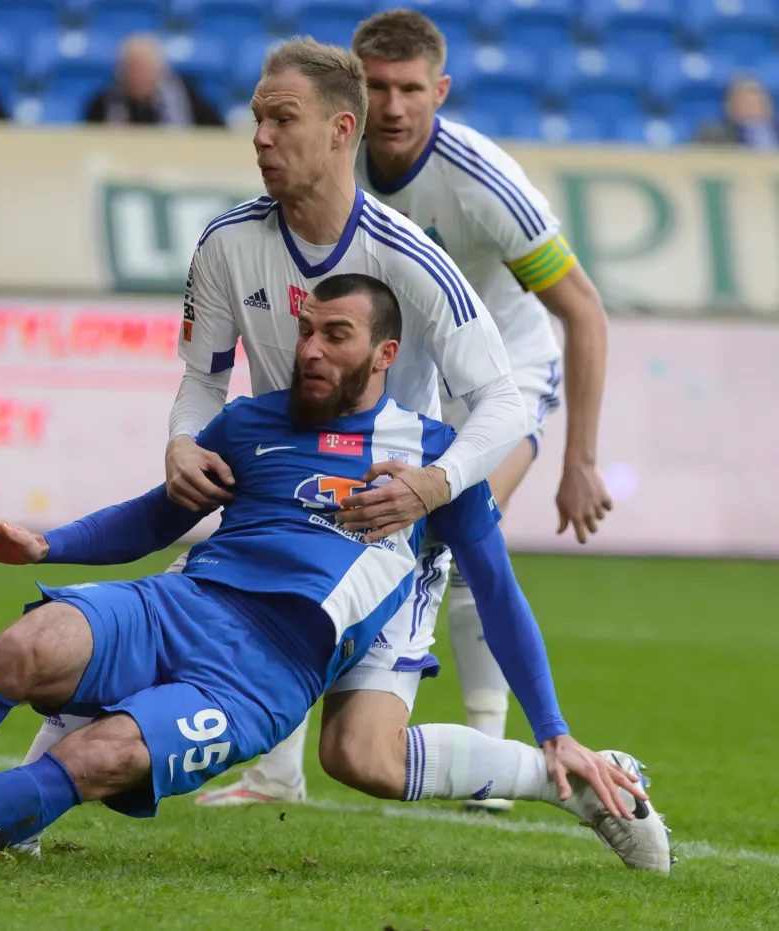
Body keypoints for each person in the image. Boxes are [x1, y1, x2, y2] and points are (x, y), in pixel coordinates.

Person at [0, 275, 671, 873]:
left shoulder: (433, 458)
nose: (312, 352)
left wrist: (553, 725)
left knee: (107, 751)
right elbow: (159, 514)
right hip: (182, 599)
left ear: (383, 354)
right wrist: (45, 545)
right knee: (26, 645)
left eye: (337, 336)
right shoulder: (251, 422)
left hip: (268, 668)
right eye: (305, 333)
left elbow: (499, 585)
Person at [16, 35, 535, 834]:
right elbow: (202, 377)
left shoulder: (412, 260)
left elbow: (502, 400)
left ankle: (562, 769)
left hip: (386, 522)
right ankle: (7, 812)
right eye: (256, 118)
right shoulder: (229, 241)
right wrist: (183, 443)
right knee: (166, 627)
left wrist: (436, 481)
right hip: (282, 487)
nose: (259, 136)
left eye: (280, 119)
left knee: (363, 756)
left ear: (340, 130)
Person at [197, 10, 616, 813]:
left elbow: (584, 310)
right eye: (378, 87)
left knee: (463, 515)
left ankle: (495, 756)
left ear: (441, 91)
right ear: (350, 98)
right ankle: (276, 769)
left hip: (506, 366)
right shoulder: (328, 175)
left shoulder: (481, 182)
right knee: (304, 522)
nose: (393, 106)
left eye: (411, 89)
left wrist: (581, 459)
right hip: (413, 367)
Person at [83, 34, 224, 128]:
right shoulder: (103, 102)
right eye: (133, 68)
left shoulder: (185, 96)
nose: (139, 76)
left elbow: (217, 133)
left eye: (145, 69)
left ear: (160, 71)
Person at [696, 76, 779, 149]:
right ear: (730, 107)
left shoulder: (775, 130)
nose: (751, 109)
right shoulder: (713, 135)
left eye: (756, 103)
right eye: (746, 103)